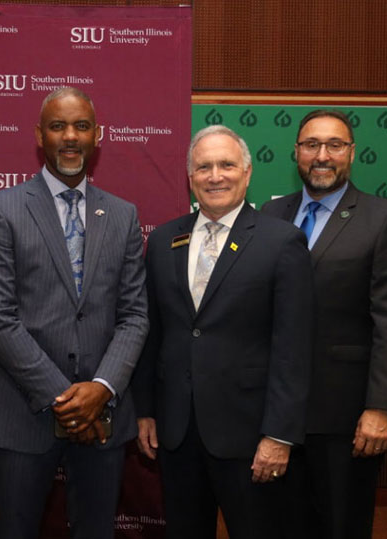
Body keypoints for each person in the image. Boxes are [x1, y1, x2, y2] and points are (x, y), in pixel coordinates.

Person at [0, 87, 149, 539]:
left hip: (102, 414)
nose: (70, 137)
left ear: (98, 136)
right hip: (21, 413)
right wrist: (66, 400)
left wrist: (101, 389)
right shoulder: (0, 209)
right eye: (58, 126)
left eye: (81, 126)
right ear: (39, 136)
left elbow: (134, 315)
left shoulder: (124, 215)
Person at [133, 125, 314, 539]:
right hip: (177, 433)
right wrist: (145, 410)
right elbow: (153, 332)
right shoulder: (164, 240)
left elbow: (294, 347)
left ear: (247, 173)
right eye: (204, 167)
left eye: (227, 165)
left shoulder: (282, 242)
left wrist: (279, 435)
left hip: (250, 437)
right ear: (190, 177)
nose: (215, 175)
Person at [260, 109, 387, 539]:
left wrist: (380, 408)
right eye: (311, 145)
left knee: (340, 525)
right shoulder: (270, 215)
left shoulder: (383, 217)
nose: (322, 155)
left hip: (345, 417)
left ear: (352, 153)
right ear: (295, 153)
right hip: (275, 415)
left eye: (334, 145)